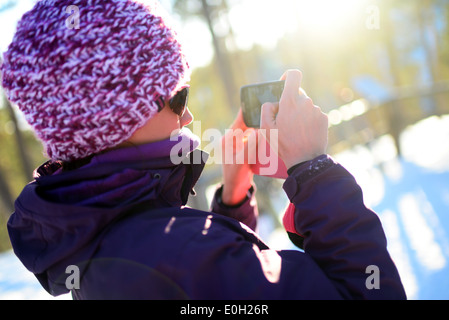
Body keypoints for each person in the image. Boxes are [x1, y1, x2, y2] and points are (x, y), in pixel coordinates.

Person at [1, 0, 406, 300]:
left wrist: (233, 196)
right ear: (116, 121)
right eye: (178, 97)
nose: (189, 112)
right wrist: (314, 170)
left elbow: (218, 276)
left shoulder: (97, 237)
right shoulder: (181, 255)